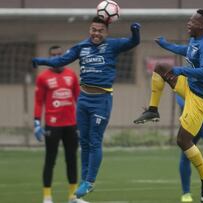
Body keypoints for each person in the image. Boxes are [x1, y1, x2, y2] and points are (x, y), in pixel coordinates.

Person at [32, 16, 141, 199]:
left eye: (100, 30)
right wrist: (41, 61)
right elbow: (60, 61)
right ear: (89, 30)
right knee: (84, 142)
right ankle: (84, 180)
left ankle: (90, 181)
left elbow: (134, 42)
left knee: (95, 140)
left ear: (106, 32)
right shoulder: (81, 47)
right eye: (93, 30)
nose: (96, 33)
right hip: (83, 100)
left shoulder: (113, 45)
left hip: (102, 99)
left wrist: (135, 31)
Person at [133, 9, 203, 203]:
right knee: (161, 68)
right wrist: (167, 45)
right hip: (191, 87)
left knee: (183, 140)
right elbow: (186, 50)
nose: (188, 23)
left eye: (192, 21)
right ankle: (153, 110)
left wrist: (179, 69)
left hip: (201, 98)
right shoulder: (196, 40)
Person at [34, 46, 87, 203]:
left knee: (72, 159)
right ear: (49, 59)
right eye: (53, 55)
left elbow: (79, 100)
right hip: (52, 125)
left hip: (71, 124)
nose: (57, 58)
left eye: (59, 55)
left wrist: (84, 121)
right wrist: (36, 122)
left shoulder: (71, 75)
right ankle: (47, 196)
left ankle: (73, 196)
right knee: (50, 159)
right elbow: (38, 101)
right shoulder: (43, 77)